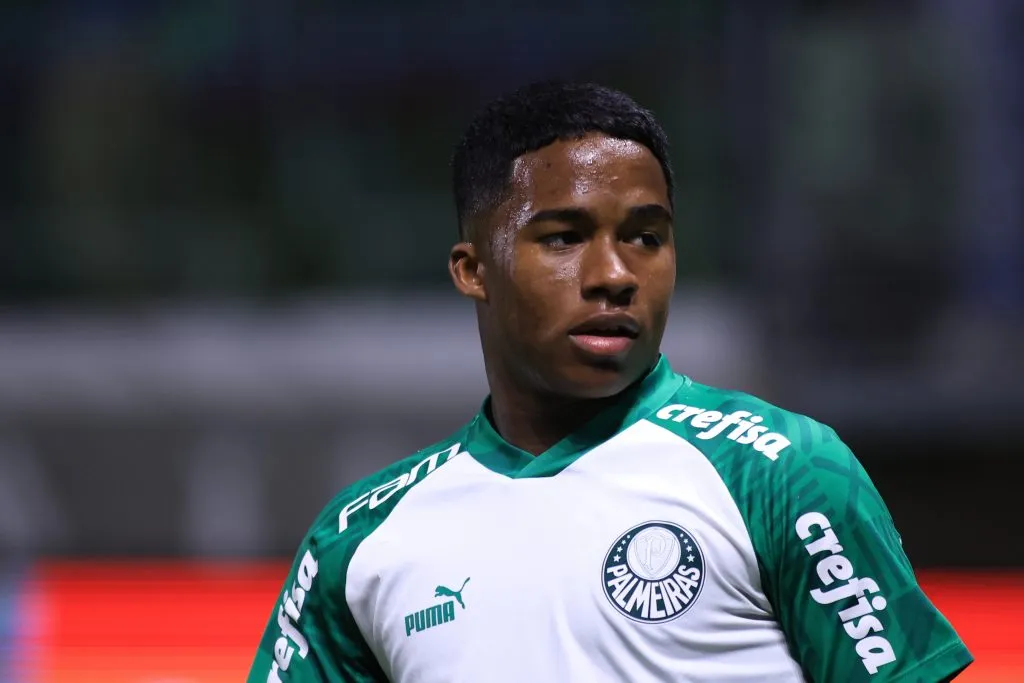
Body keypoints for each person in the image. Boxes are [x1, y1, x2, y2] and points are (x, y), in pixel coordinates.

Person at [247, 81, 972, 682]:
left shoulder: (783, 472)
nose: (616, 275)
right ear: (473, 269)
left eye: (645, 238)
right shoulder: (358, 541)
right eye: (563, 237)